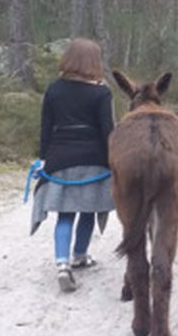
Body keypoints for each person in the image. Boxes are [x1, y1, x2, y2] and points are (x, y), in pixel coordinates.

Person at [30, 38, 115, 293]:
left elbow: (46, 128)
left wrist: (44, 158)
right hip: (94, 160)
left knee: (65, 214)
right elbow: (108, 131)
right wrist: (114, 158)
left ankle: (61, 264)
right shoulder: (102, 92)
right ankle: (80, 255)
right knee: (88, 210)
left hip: (60, 158)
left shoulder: (54, 89)